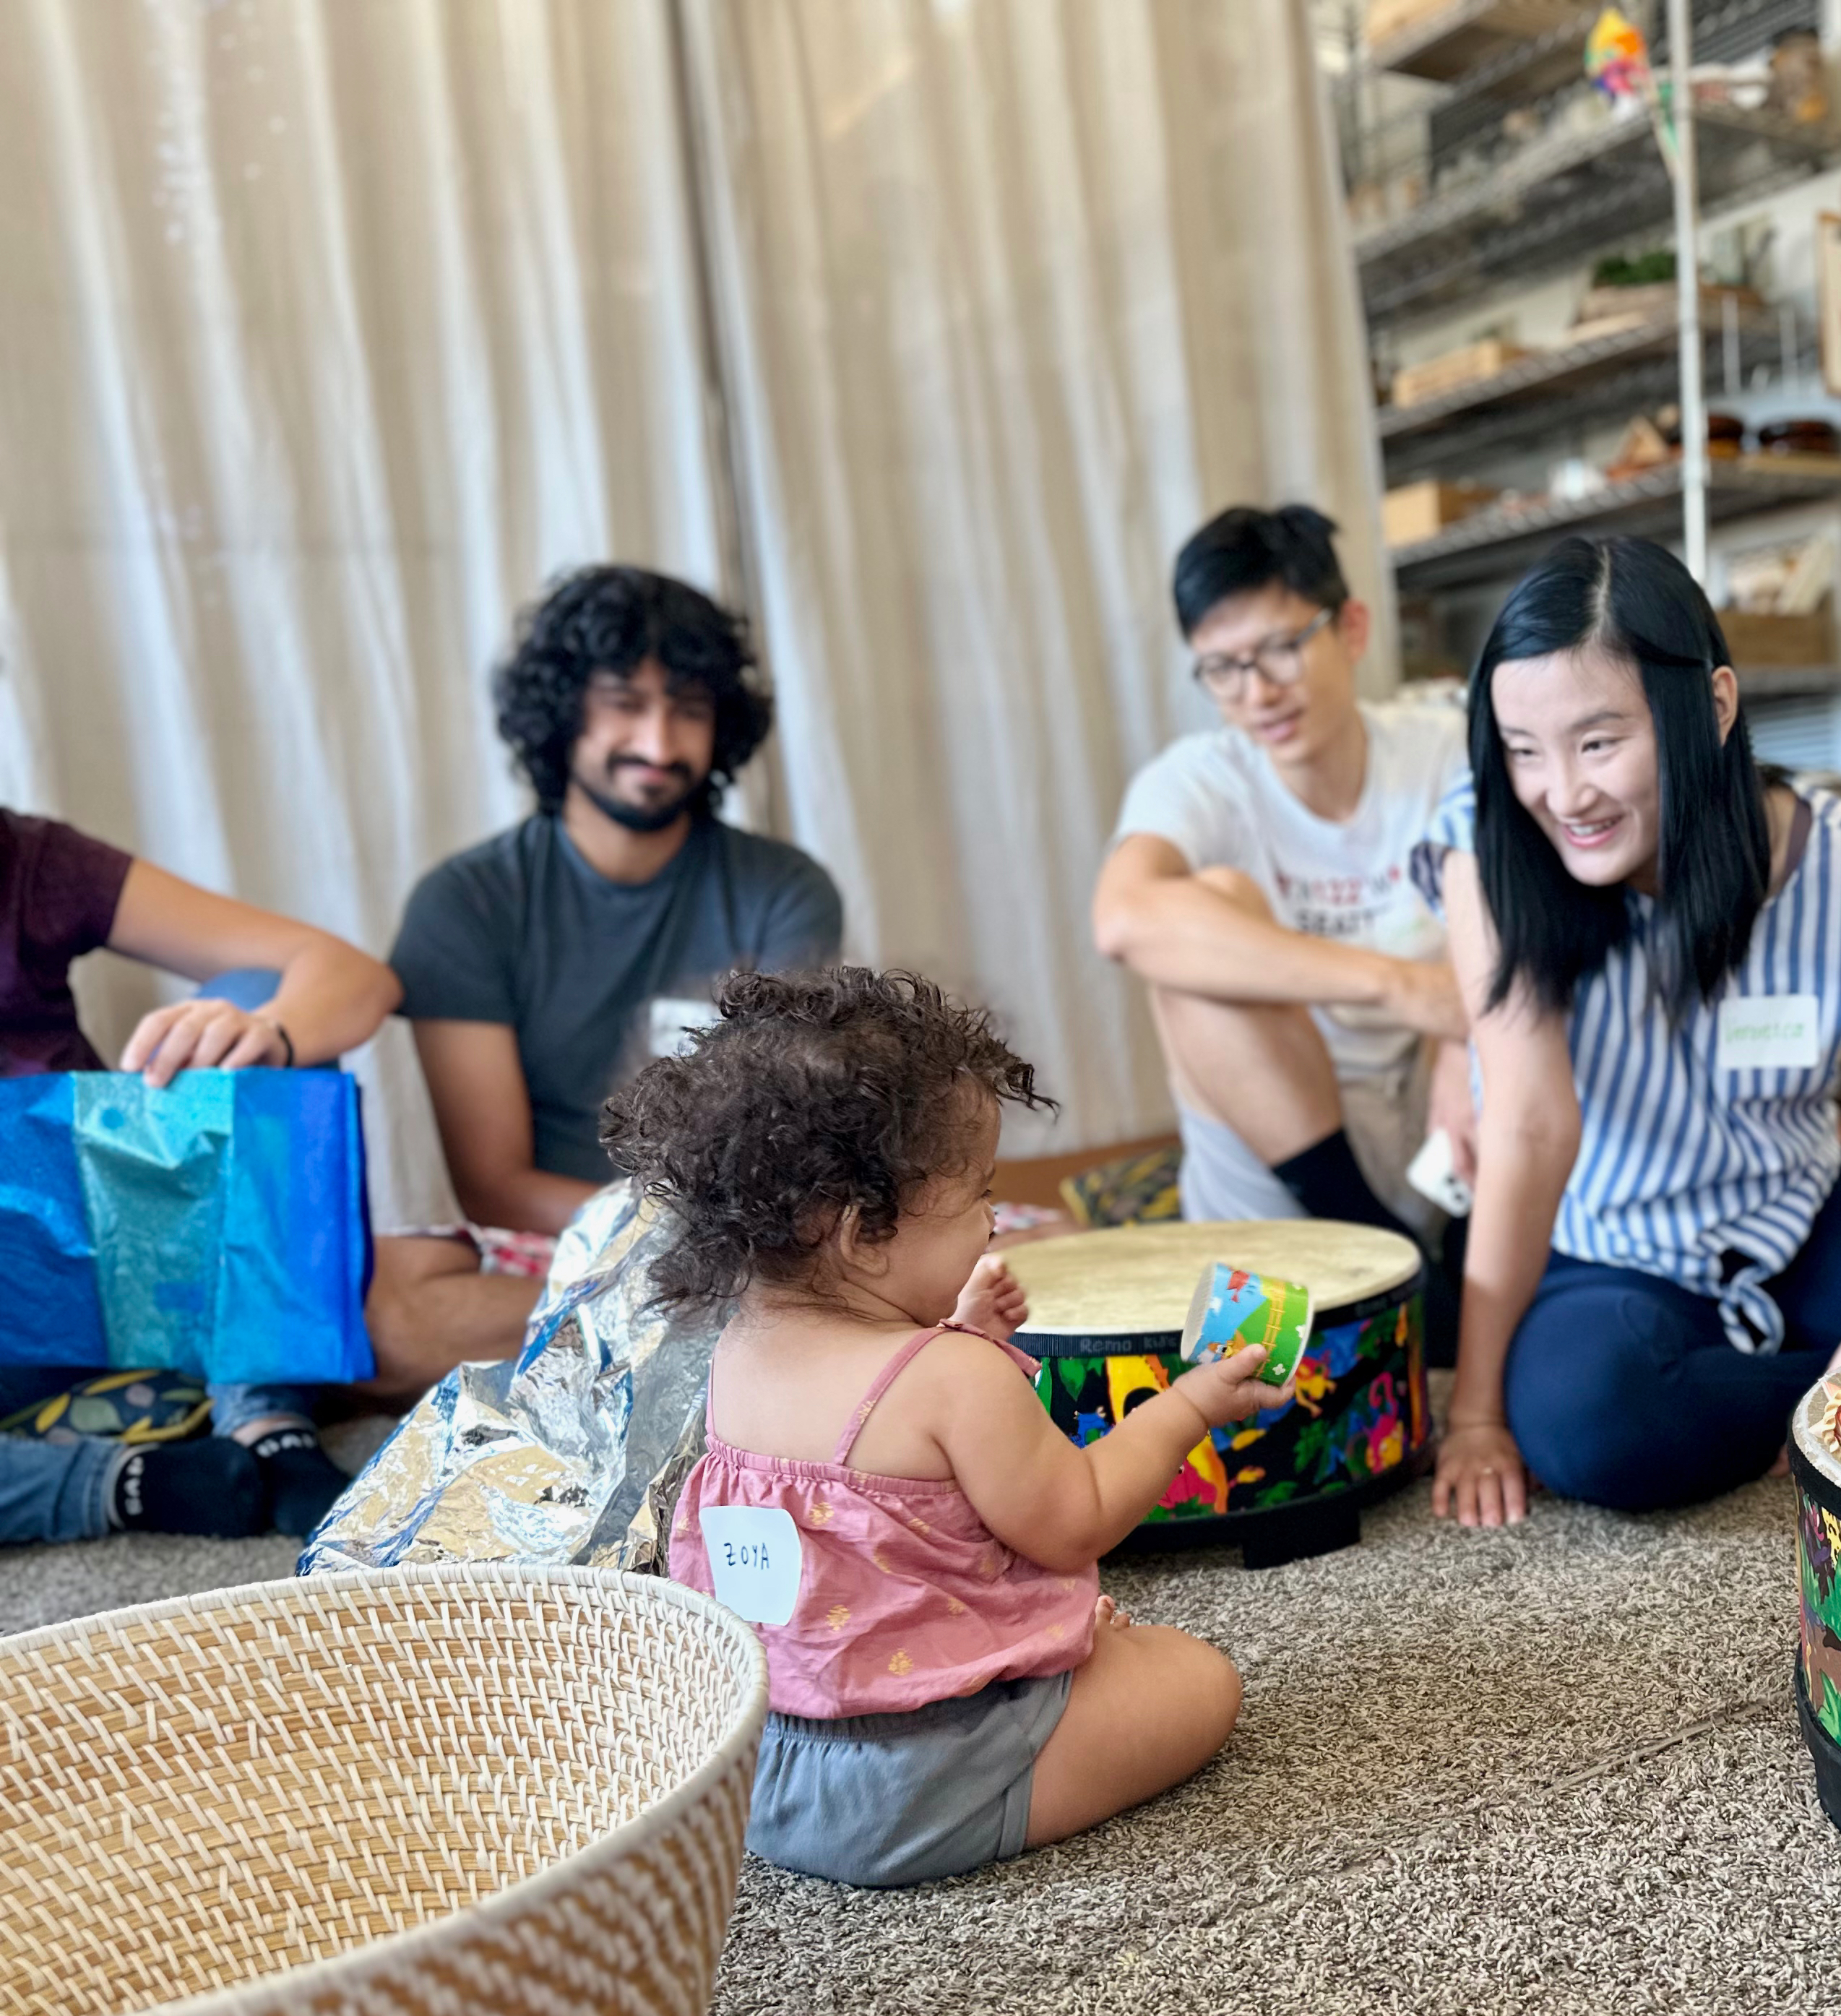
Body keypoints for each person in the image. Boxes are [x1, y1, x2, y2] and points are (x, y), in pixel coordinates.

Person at [1418, 536, 1841, 1528]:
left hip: (1804, 1218)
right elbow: (1528, 1126)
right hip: (1604, 1246)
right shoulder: (1488, 843)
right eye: (1525, 750)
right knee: (1591, 1417)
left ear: (1714, 706)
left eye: (1599, 742)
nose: (1562, 792)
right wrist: (1473, 1412)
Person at [609, 967, 1266, 1887]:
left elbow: (873, 1488)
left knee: (1094, 1642)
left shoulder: (738, 1351)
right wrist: (1186, 1406)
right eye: (978, 1199)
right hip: (921, 1782)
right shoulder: (952, 1380)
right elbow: (1076, 1516)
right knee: (1199, 1680)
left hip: (770, 1771)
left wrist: (961, 1335)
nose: (995, 1224)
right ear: (857, 1232)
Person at [392, 565, 842, 1254]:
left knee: (1016, 1247)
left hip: (756, 1246)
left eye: (689, 709)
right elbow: (494, 1185)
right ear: (564, 714)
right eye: (625, 704)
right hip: (567, 1245)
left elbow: (791, 1138)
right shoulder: (463, 905)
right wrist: (668, 1232)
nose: (658, 744)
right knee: (400, 1306)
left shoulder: (784, 889)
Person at [0, 808, 397, 1542]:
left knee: (252, 993)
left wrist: (269, 1033)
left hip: (113, 1249)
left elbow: (348, 974)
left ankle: (265, 1417)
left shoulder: (24, 859)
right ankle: (129, 1485)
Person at [1092, 506, 1469, 1244]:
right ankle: (1361, 1236)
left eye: (1280, 649)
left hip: (1439, 1112)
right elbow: (1123, 918)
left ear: (1350, 630)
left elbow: (1518, 916)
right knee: (1209, 905)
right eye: (1223, 669)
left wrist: (1461, 1038)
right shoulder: (1199, 778)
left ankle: (1447, 1257)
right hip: (1281, 1147)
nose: (1257, 693)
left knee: (1499, 908)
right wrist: (1396, 984)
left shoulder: (1441, 749)